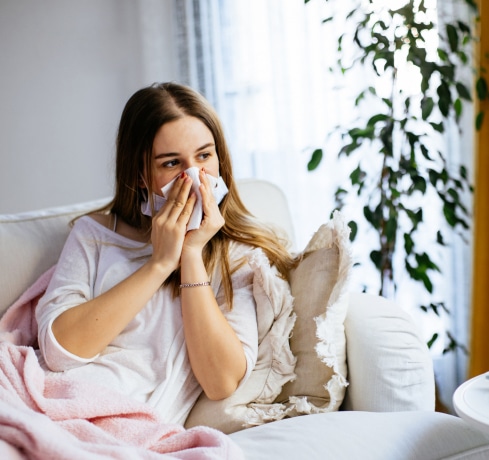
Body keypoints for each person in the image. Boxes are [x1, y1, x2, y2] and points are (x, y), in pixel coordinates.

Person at [35, 82, 296, 426]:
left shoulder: (240, 256)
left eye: (204, 156)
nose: (193, 176)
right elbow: (58, 352)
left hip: (128, 425)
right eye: (172, 163)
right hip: (53, 401)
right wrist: (159, 264)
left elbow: (220, 382)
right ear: (142, 174)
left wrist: (190, 254)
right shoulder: (94, 234)